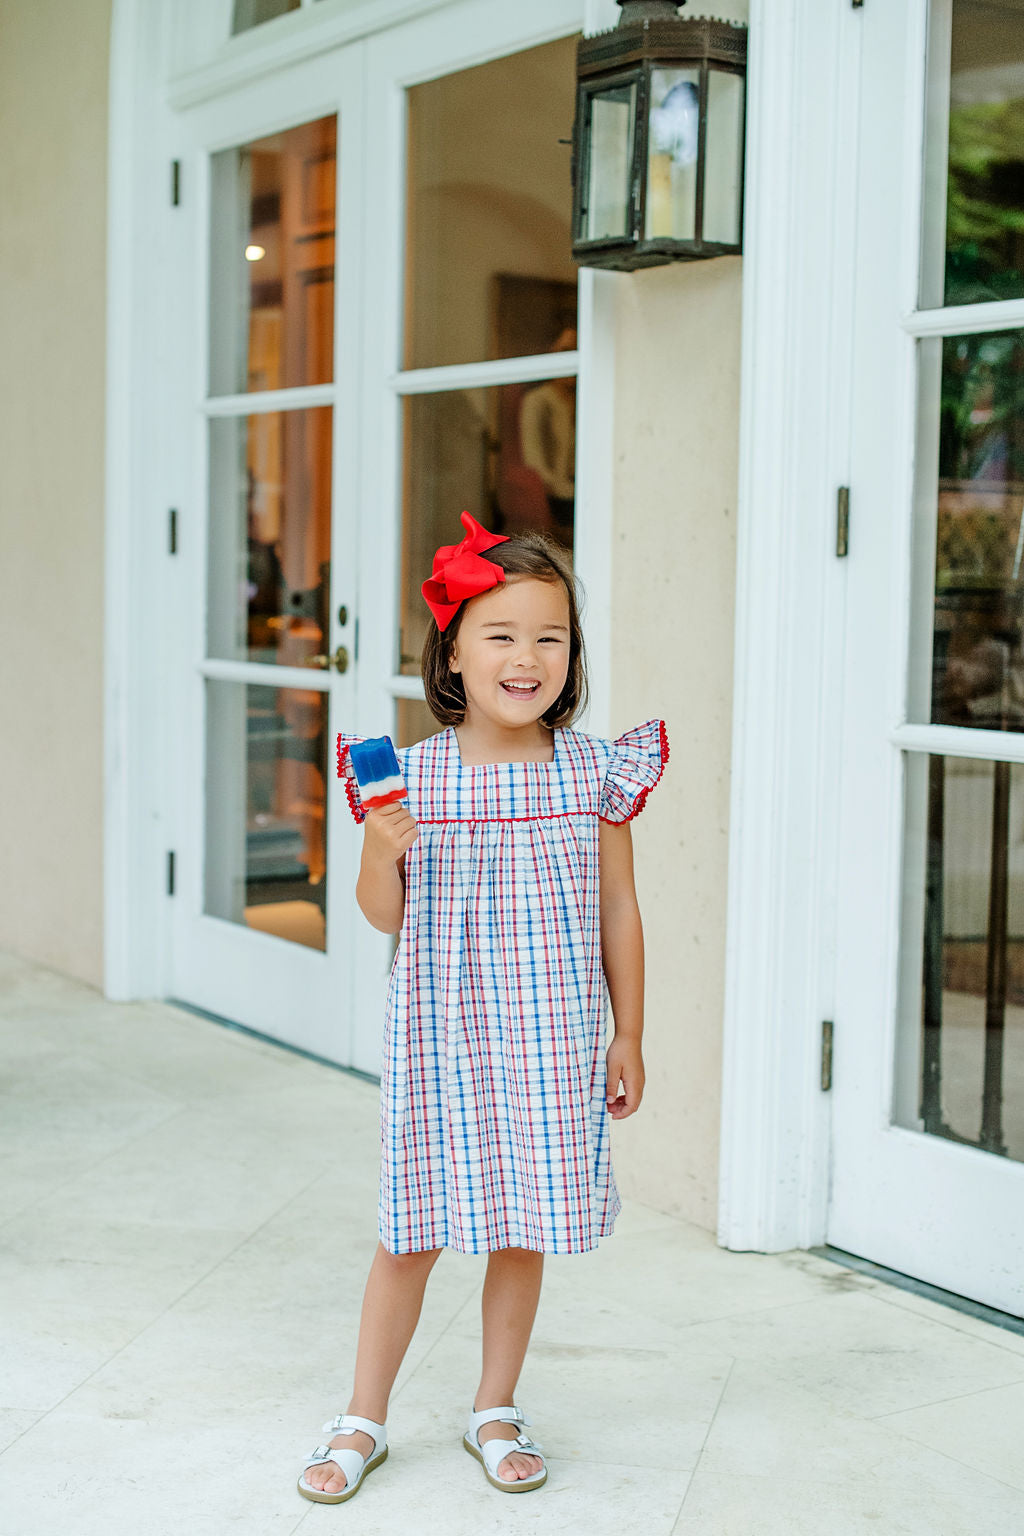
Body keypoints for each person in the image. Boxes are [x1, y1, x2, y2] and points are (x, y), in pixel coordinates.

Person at [297, 510, 669, 1504]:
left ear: (571, 656)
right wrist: (381, 850)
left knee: (522, 1226)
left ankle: (493, 1405)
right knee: (410, 1230)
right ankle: (362, 1416)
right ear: (454, 652)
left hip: (551, 1038)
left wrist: (628, 1030)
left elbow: (620, 908)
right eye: (500, 634)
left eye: (550, 637)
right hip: (441, 1042)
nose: (526, 657)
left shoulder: (593, 772)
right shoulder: (406, 776)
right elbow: (385, 917)